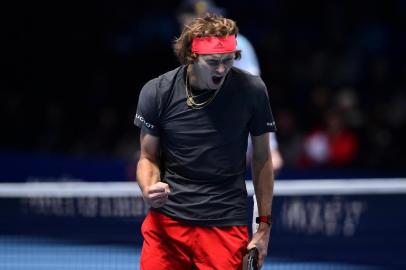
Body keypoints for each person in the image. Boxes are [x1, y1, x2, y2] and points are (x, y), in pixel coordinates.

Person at [134, 14, 275, 269]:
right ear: (192, 56)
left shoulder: (252, 91)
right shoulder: (157, 91)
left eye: (228, 60)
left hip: (224, 225)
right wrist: (148, 188)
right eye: (213, 62)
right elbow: (148, 157)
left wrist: (263, 227)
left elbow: (262, 158)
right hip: (167, 224)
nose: (221, 69)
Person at [176, 0, 284, 235]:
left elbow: (255, 94)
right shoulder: (192, 54)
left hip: (238, 129)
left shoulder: (239, 44)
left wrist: (270, 144)